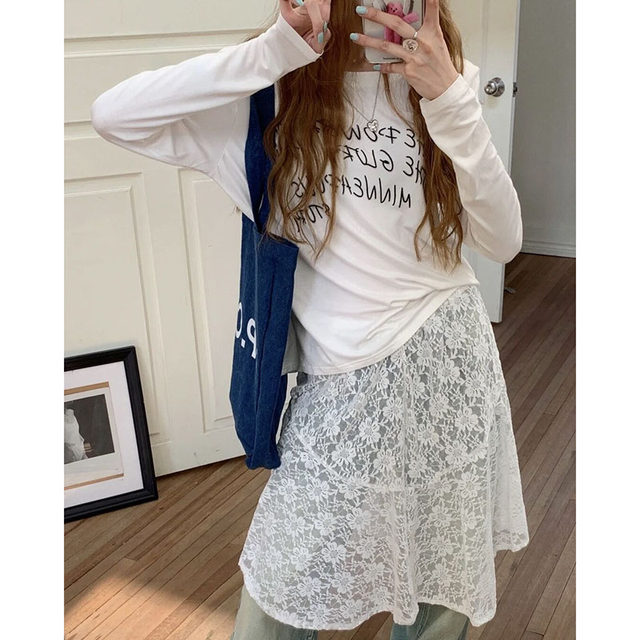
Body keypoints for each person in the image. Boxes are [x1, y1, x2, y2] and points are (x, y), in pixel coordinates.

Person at [90, 0, 530, 638]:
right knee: (281, 591)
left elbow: (504, 241)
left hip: (451, 370)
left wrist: (448, 98)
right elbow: (113, 115)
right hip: (343, 388)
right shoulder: (265, 100)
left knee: (440, 587)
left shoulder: (440, 78)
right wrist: (276, 49)